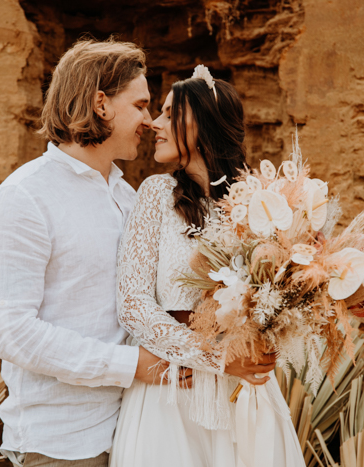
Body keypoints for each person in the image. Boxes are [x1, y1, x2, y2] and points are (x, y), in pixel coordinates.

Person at [0, 39, 180, 467]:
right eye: (141, 105)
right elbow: (15, 333)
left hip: (140, 432)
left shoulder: (128, 198)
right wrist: (133, 366)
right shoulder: (24, 197)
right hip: (61, 446)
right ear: (100, 103)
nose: (148, 120)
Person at [110, 67, 307, 466]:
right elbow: (133, 303)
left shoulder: (264, 205)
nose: (155, 124)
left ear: (202, 124)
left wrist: (265, 344)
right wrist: (213, 357)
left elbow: (285, 295)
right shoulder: (156, 194)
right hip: (172, 396)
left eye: (169, 114)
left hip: (246, 394)